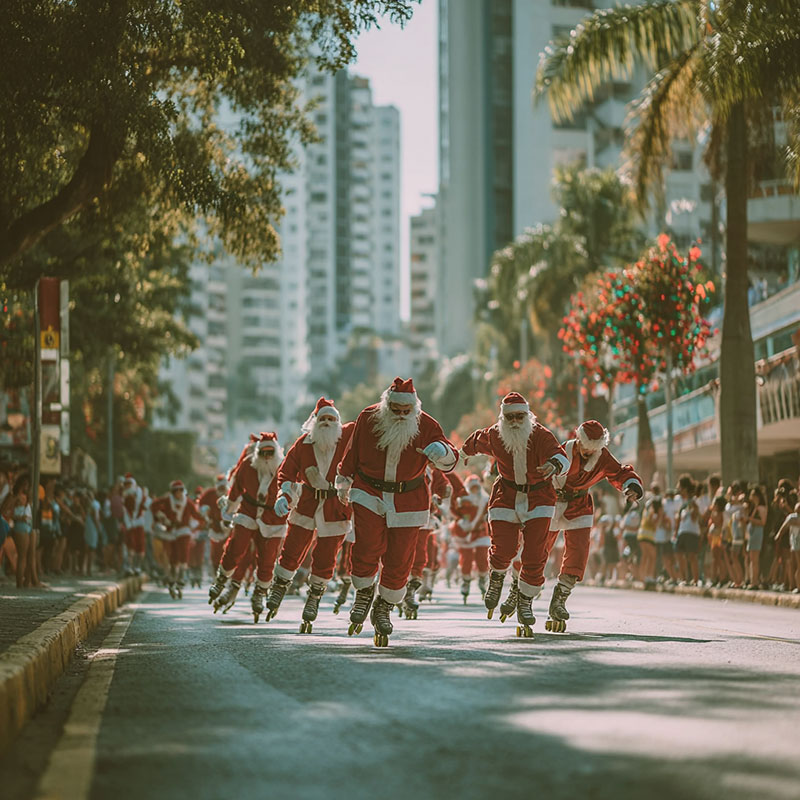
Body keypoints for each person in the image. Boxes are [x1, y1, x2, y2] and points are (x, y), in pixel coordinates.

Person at [336, 377, 458, 646]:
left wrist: (442, 451)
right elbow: (352, 452)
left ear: (414, 408)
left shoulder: (426, 424)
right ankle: (364, 593)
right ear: (386, 405)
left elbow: (451, 458)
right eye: (396, 410)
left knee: (401, 557)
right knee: (367, 545)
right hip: (368, 491)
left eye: (407, 411)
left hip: (409, 498)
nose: (402, 415)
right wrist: (343, 480)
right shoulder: (368, 418)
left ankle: (384, 606)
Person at [461, 392, 569, 637]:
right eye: (510, 417)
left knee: (534, 553)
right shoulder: (495, 435)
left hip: (539, 497)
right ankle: (497, 577)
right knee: (504, 548)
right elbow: (476, 441)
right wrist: (464, 454)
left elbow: (560, 454)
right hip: (506, 495)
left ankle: (525, 601)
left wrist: (554, 464)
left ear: (528, 415)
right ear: (502, 418)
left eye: (520, 416)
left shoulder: (540, 434)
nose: (515, 422)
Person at [542, 420, 643, 630]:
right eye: (587, 447)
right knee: (538, 549)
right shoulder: (562, 451)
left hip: (579, 504)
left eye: (594, 448)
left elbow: (620, 472)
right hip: (551, 501)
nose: (589, 452)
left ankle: (560, 599)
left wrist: (630, 485)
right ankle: (523, 592)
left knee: (579, 552)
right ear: (578, 439)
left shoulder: (602, 456)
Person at [265, 398, 355, 631]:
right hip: (307, 502)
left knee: (326, 556)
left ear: (338, 422)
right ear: (314, 421)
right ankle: (279, 587)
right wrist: (283, 496)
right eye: (322, 418)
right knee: (292, 548)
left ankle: (314, 597)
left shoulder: (347, 439)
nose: (326, 422)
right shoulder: (303, 444)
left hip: (336, 505)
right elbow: (286, 472)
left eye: (331, 419)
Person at [210, 432, 286, 613]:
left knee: (267, 558)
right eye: (263, 453)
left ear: (276, 452)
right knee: (237, 546)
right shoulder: (247, 464)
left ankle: (260, 592)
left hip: (272, 516)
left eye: (270, 453)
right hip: (248, 510)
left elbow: (291, 487)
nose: (267, 457)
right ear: (257, 453)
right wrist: (228, 509)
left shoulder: (283, 466)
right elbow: (236, 489)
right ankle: (222, 579)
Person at [151, 480, 207, 598]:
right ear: (172, 492)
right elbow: (154, 505)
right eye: (176, 491)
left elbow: (196, 514)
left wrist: (204, 521)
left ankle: (181, 576)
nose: (179, 493)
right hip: (171, 531)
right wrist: (162, 517)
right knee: (173, 557)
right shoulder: (167, 500)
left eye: (181, 490)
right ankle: (172, 578)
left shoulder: (187, 502)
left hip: (184, 531)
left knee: (184, 553)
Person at [452, 473, 491, 603]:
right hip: (464, 532)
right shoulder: (462, 498)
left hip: (480, 532)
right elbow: (454, 510)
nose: (475, 489)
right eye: (472, 487)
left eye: (476, 487)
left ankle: (482, 578)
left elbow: (489, 513)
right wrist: (461, 521)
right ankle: (466, 580)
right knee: (466, 558)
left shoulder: (485, 500)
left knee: (482, 557)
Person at [197, 474, 229, 576]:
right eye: (220, 486)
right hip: (214, 527)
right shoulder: (210, 494)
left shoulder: (231, 493)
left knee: (228, 550)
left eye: (223, 487)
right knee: (215, 552)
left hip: (228, 527)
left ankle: (226, 573)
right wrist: (206, 513)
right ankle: (215, 572)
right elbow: (201, 505)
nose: (222, 489)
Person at [674, 475, 701, 585]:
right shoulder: (680, 501)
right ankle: (684, 579)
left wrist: (694, 507)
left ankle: (695, 580)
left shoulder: (694, 500)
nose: (678, 490)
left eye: (680, 488)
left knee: (691, 556)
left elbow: (695, 517)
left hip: (692, 531)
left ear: (685, 488)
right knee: (679, 554)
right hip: (682, 531)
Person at [122, 474, 147, 575]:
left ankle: (137, 567)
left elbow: (145, 507)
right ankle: (129, 567)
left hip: (138, 523)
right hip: (130, 523)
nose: (127, 486)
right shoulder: (124, 496)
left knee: (140, 548)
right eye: (126, 484)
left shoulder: (140, 495)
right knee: (130, 546)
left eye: (129, 484)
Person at [775, 502, 800, 594]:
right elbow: (784, 527)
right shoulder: (792, 517)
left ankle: (797, 586)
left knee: (798, 565)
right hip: (794, 544)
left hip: (796, 544)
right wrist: (778, 535)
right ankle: (794, 585)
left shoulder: (793, 518)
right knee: (793, 565)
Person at [745, 486, 767, 589]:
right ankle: (752, 580)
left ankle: (755, 582)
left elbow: (762, 522)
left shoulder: (761, 508)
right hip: (752, 533)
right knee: (751, 558)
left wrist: (750, 519)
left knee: (755, 559)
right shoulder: (754, 507)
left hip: (757, 533)